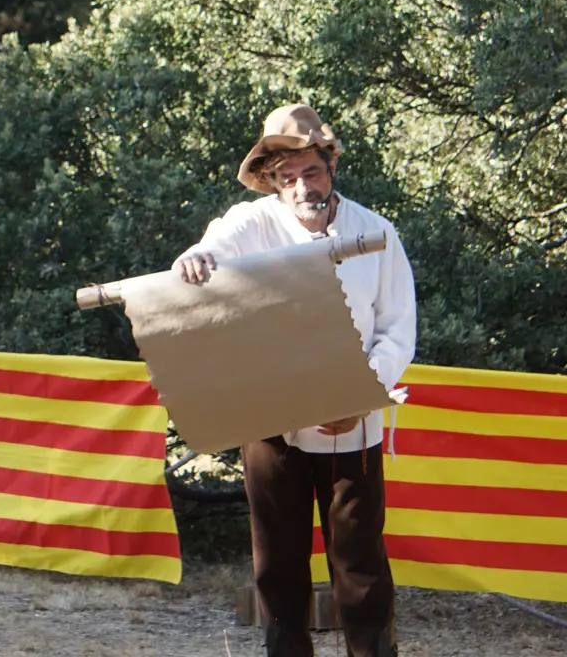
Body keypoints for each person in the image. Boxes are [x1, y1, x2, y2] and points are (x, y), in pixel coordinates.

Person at [172, 105, 415, 657]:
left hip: (349, 425)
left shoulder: (376, 233)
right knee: (277, 564)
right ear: (273, 182)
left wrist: (356, 395)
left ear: (330, 168)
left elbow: (398, 330)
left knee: (359, 565)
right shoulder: (252, 222)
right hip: (272, 417)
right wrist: (195, 258)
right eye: (288, 177)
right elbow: (214, 244)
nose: (302, 186)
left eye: (311, 172)